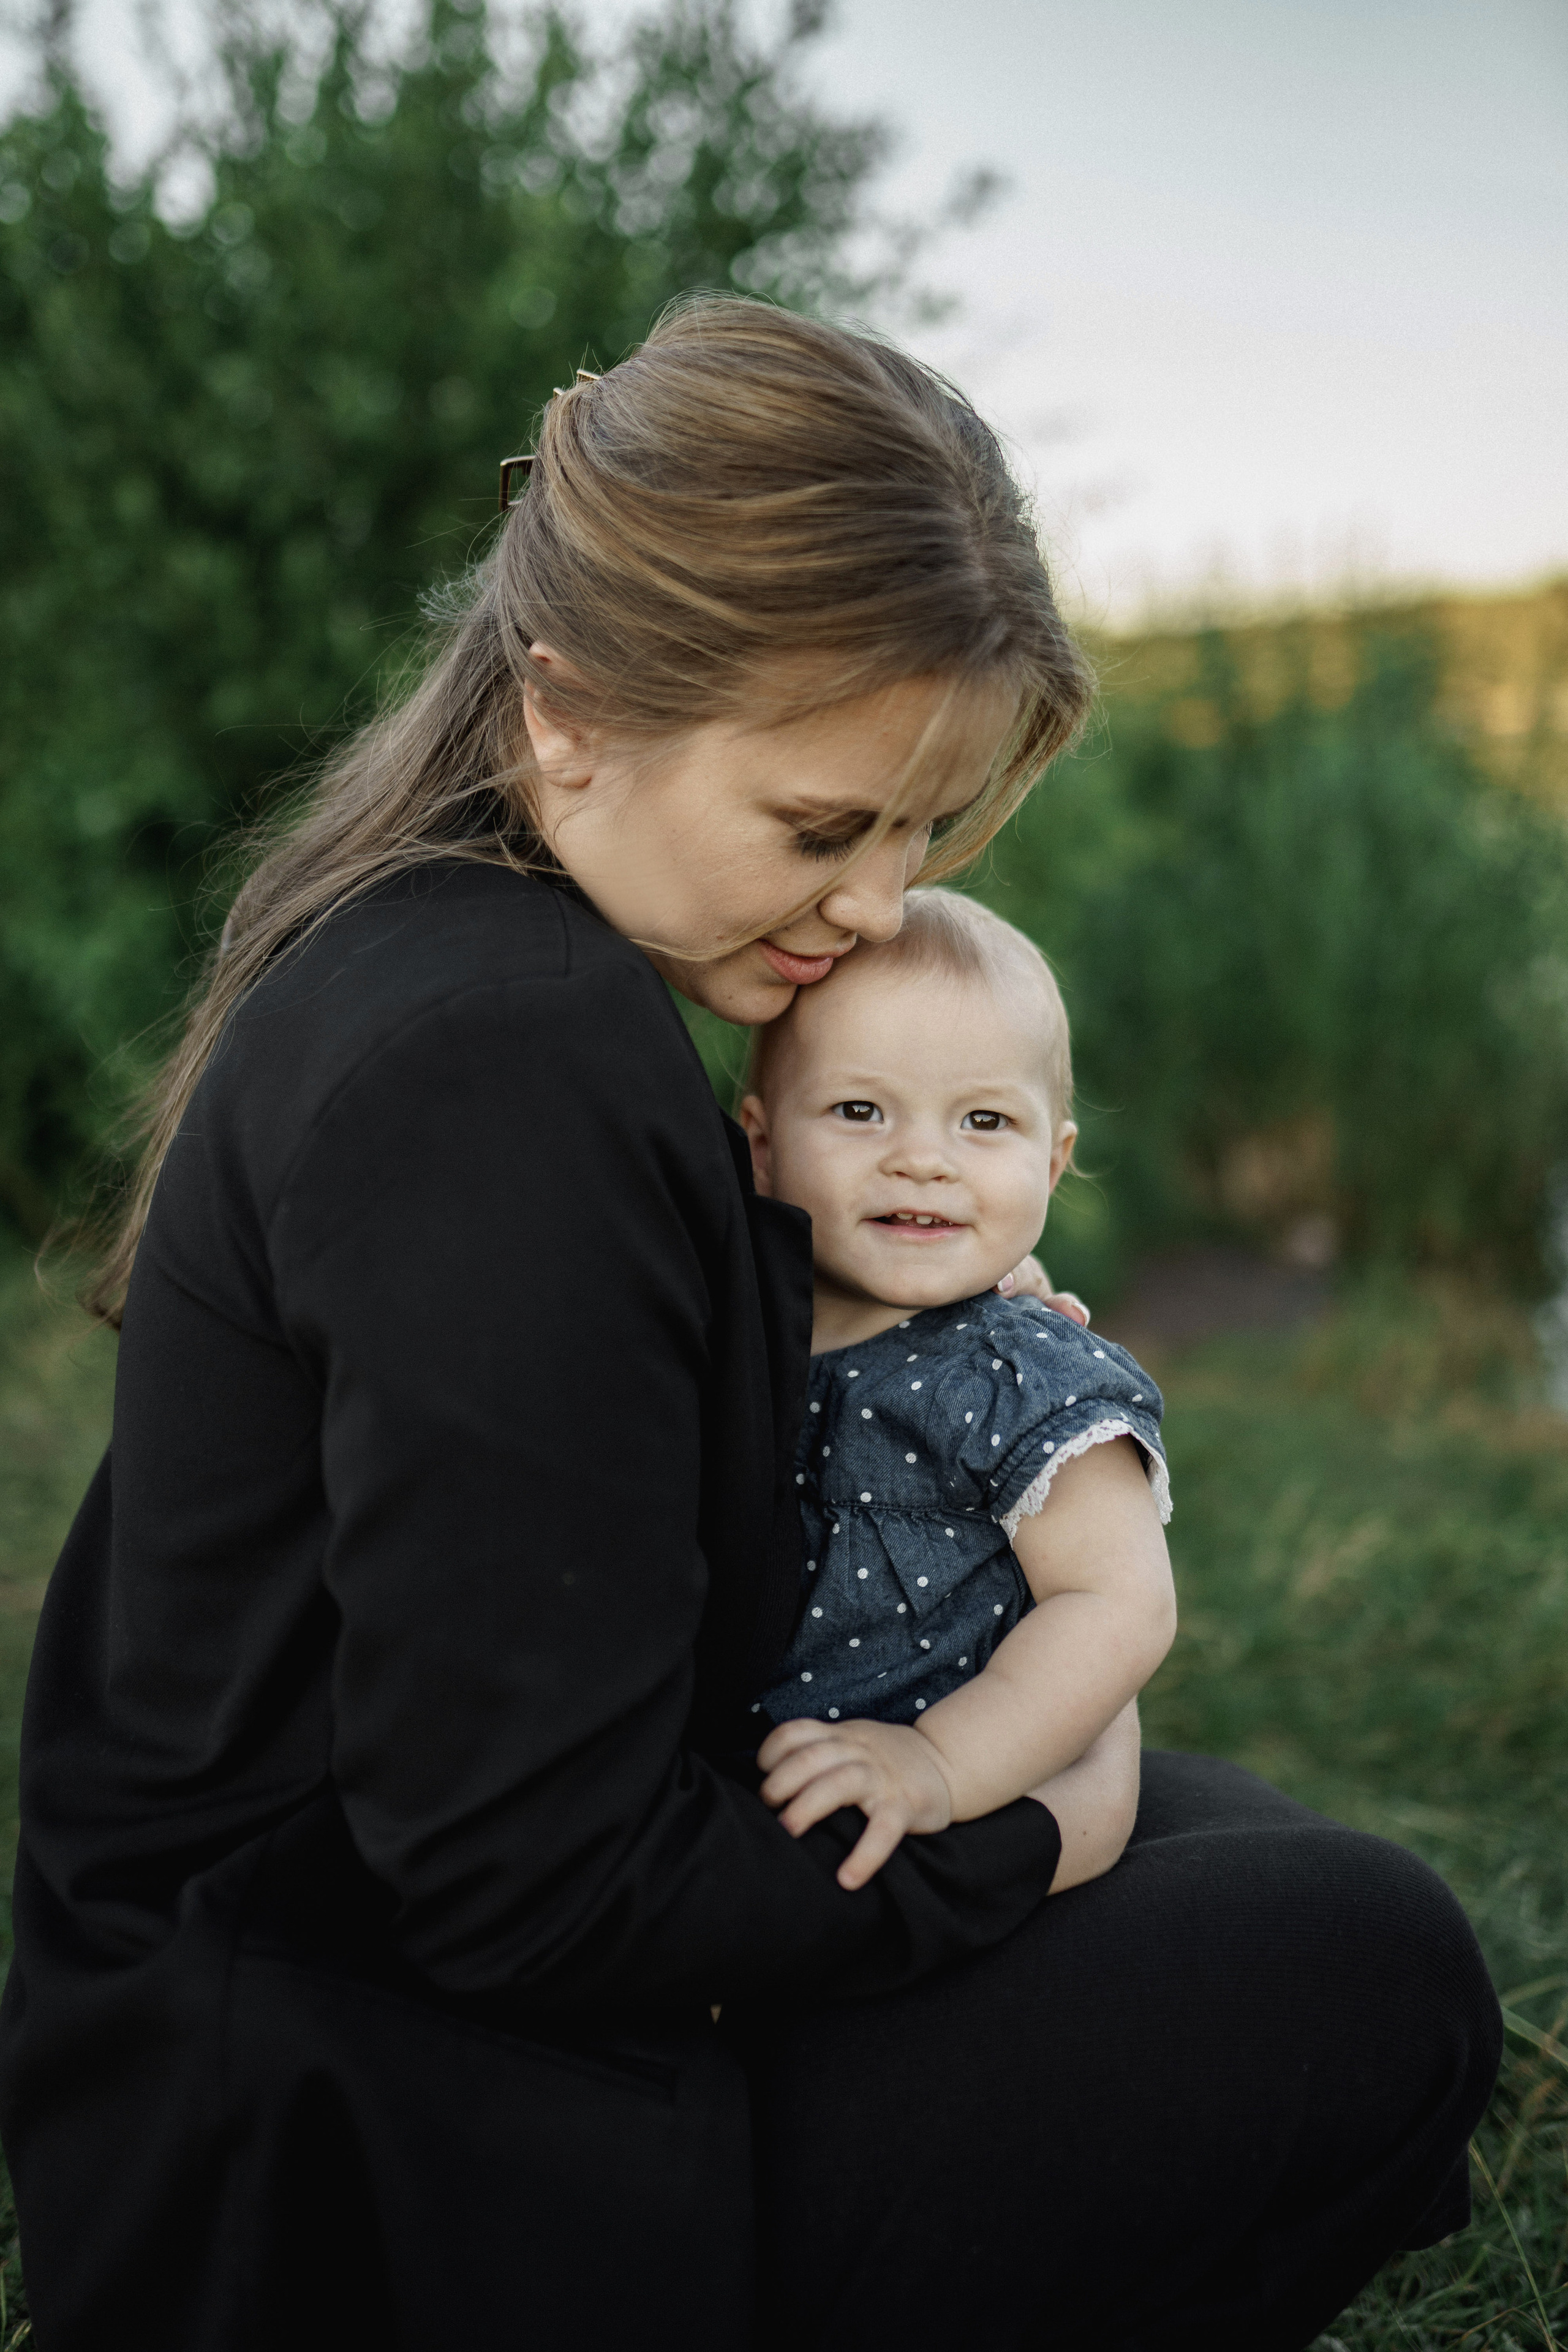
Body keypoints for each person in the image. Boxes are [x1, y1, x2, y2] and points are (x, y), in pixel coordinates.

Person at [0, 298, 1498, 2351]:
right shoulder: (503, 1068)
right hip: (353, 2157)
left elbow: (599, 1514)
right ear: (571, 713)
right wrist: (1025, 1834)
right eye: (824, 826)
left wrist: (904, 1329)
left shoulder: (498, 961)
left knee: (1226, 1827)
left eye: (924, 836)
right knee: (1368, 1965)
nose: (878, 908)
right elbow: (533, 1894)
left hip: (359, 2011)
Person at [742, 889, 1175, 1894]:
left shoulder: (1022, 1374)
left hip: (981, 1787)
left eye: (985, 1121)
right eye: (860, 1110)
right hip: (779, 1778)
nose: (924, 1159)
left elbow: (1119, 1605)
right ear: (762, 1147)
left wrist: (941, 1763)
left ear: (1053, 1161)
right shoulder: (744, 1321)